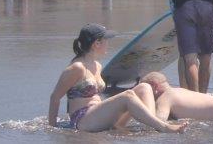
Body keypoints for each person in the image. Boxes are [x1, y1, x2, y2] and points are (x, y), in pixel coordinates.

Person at [48, 23, 186, 133]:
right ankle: (163, 127)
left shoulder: (97, 65)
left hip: (100, 115)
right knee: (127, 95)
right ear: (96, 43)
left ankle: (153, 123)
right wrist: (52, 127)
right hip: (83, 120)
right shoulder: (77, 68)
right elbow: (55, 97)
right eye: (106, 40)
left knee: (144, 87)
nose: (109, 43)